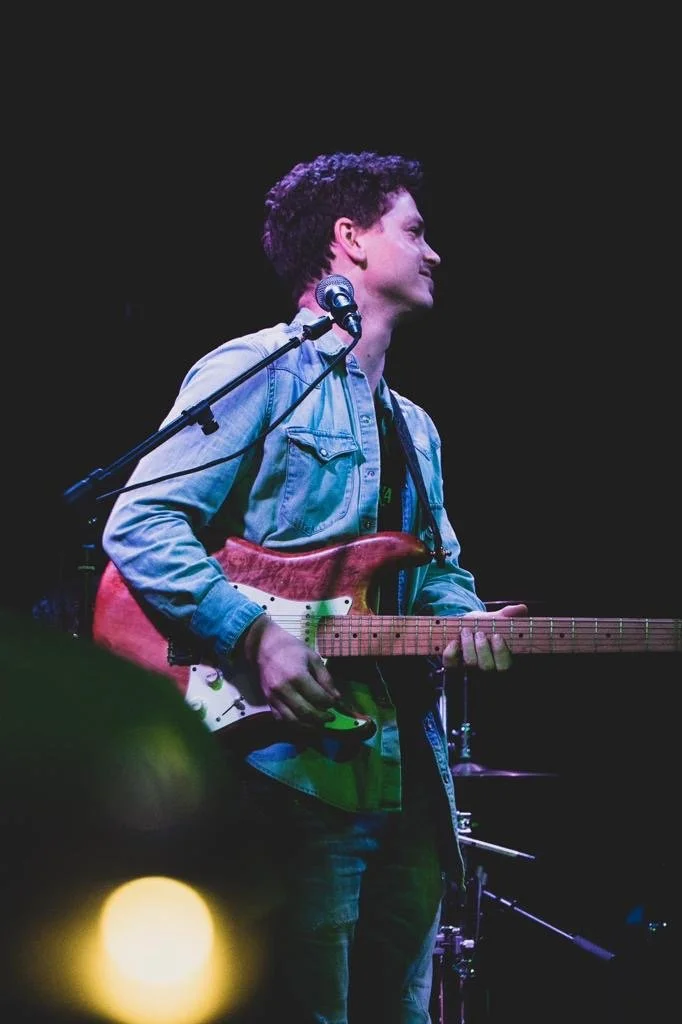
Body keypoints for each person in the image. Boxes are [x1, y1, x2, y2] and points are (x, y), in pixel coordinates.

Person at [99, 151, 528, 1023]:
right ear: (350, 241)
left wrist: (466, 619)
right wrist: (253, 634)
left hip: (410, 775)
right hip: (291, 772)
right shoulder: (256, 370)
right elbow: (137, 524)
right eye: (414, 230)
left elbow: (435, 570)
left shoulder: (417, 427)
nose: (435, 252)